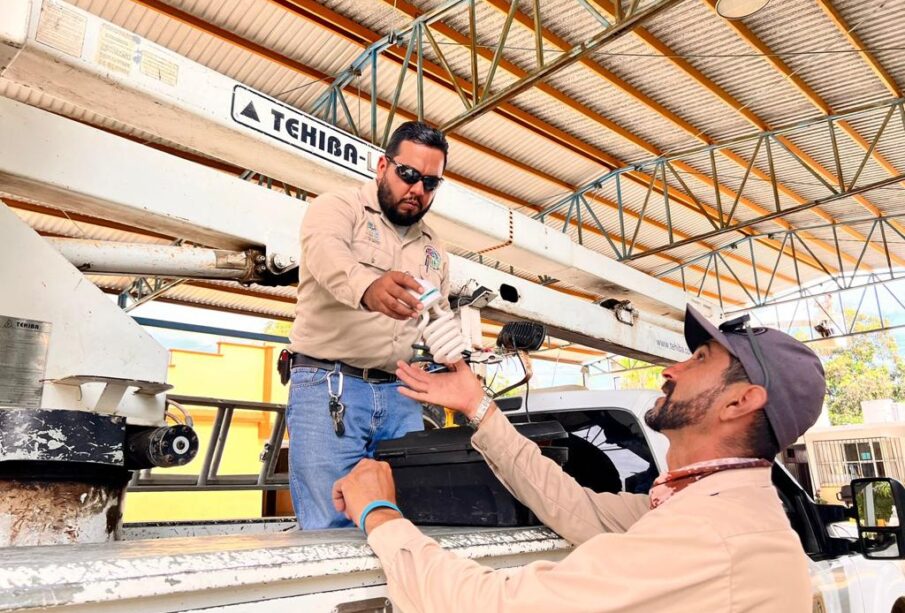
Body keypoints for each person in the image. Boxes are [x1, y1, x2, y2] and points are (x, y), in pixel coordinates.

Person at [332, 305, 827, 612]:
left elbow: (492, 606)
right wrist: (477, 405)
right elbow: (576, 506)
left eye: (700, 360)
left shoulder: (711, 538)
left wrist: (381, 515)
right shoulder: (704, 509)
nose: (671, 368)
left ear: (741, 402)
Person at [286, 121, 454, 530]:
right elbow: (326, 255)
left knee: (405, 517)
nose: (417, 190)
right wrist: (367, 287)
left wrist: (454, 352)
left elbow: (439, 313)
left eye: (430, 182)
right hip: (330, 387)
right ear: (383, 166)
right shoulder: (337, 208)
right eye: (408, 175)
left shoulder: (434, 249)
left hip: (400, 395)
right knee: (332, 521)